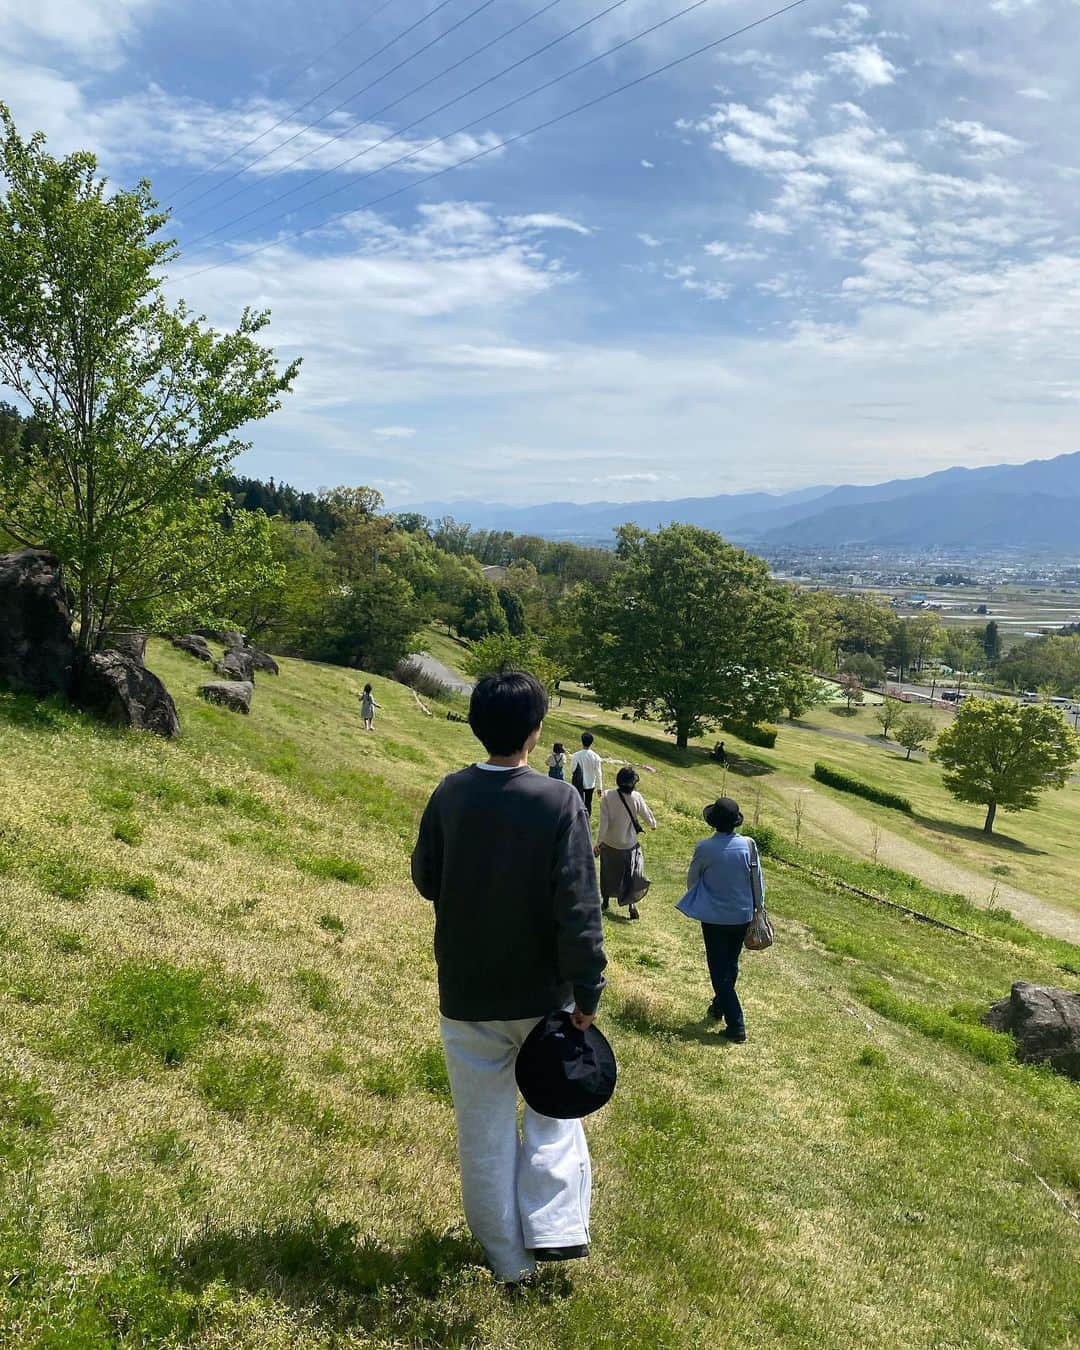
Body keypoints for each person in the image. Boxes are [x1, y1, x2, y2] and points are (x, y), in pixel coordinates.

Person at [411, 671, 607, 1285]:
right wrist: (587, 987)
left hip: (467, 993)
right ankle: (552, 1233)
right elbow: (579, 904)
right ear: (536, 730)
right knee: (553, 1115)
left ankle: (506, 1260)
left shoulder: (450, 793)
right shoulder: (558, 801)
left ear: (475, 722)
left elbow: (425, 878)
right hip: (544, 996)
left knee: (483, 1131)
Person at [675, 796, 763, 1042]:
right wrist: (759, 908)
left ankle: (736, 1024)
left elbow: (693, 880)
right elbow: (757, 880)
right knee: (731, 964)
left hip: (714, 917)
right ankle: (718, 1006)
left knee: (718, 970)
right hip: (742, 915)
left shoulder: (704, 847)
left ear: (713, 822)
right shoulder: (749, 844)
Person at [595, 767, 656, 920]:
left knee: (608, 872)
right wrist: (653, 824)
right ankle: (631, 905)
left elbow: (604, 823)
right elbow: (646, 814)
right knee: (630, 874)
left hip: (610, 843)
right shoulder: (636, 797)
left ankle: (606, 900)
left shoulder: (607, 796)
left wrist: (598, 843)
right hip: (629, 844)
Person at [569, 731, 603, 816]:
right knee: (588, 803)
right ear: (591, 743)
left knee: (578, 802)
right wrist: (599, 788)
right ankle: (587, 818)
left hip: (578, 782)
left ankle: (577, 817)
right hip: (590, 784)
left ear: (582, 741)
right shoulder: (596, 757)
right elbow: (599, 773)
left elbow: (572, 769)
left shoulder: (576, 755)